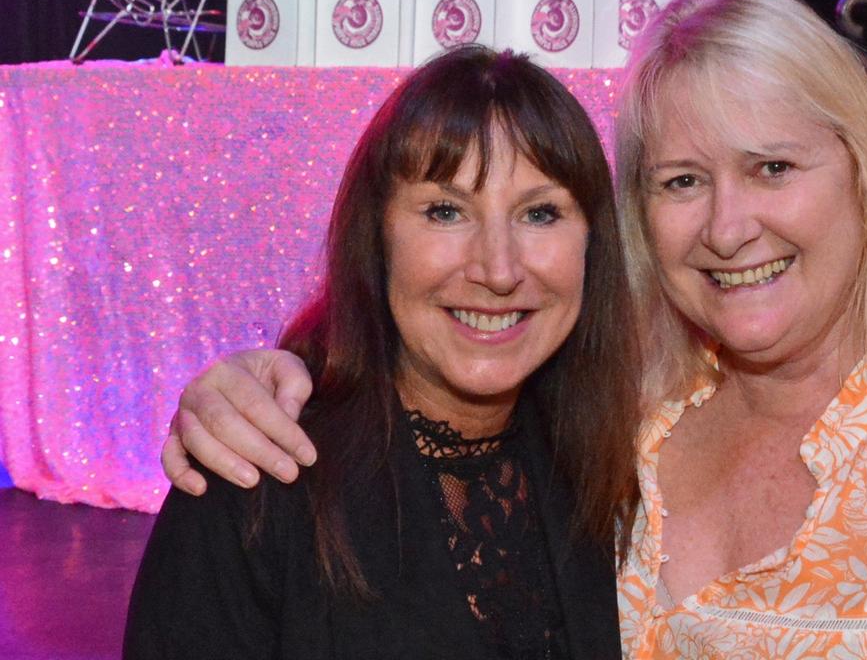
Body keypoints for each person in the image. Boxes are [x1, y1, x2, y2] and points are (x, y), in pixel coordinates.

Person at [161, 0, 867, 658]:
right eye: (681, 180)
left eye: (772, 167)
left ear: (863, 175)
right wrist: (277, 369)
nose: (730, 227)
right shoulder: (624, 413)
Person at [124, 46, 642, 659]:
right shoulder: (256, 476)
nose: (498, 269)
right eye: (446, 211)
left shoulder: (612, 459)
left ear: (592, 244)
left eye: (540, 212)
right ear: (379, 237)